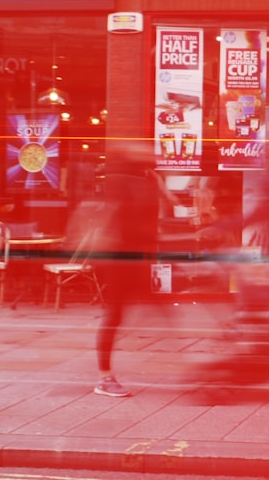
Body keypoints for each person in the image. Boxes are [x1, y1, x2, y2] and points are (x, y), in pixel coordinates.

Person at [93, 140, 167, 397]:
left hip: (134, 256)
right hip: (118, 258)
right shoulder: (120, 181)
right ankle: (104, 378)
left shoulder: (146, 180)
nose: (149, 152)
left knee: (156, 310)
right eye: (142, 149)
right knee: (114, 315)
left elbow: (149, 219)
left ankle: (181, 363)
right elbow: (120, 218)